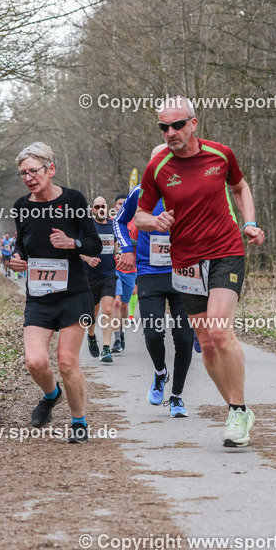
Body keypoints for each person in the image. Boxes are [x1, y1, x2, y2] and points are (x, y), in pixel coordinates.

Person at [134, 97, 266, 446]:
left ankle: (237, 411)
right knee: (206, 344)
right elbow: (140, 215)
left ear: (194, 123)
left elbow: (240, 187)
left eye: (177, 125)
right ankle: (238, 409)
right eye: (164, 127)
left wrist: (249, 222)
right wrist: (155, 220)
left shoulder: (221, 154)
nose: (171, 132)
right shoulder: (157, 167)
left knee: (221, 332)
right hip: (186, 262)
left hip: (225, 252)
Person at [7, 142, 101, 443]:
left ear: (51, 169)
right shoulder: (22, 206)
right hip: (39, 295)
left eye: (33, 171)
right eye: (23, 173)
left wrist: (73, 244)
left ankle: (78, 421)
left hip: (74, 292)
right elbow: (21, 243)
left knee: (66, 361)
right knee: (35, 362)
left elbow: (95, 243)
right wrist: (17, 259)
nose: (28, 178)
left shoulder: (73, 199)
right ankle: (51, 395)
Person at [114, 145, 194, 418]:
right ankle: (161, 372)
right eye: (157, 161)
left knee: (184, 338)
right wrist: (127, 248)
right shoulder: (139, 193)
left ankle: (177, 397)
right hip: (150, 273)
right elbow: (119, 222)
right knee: (153, 333)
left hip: (186, 272)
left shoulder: (190, 187)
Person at [80, 196, 117, 363]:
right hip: (90, 276)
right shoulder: (88, 227)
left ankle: (107, 348)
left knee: (108, 310)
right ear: (93, 209)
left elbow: (116, 247)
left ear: (107, 208)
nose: (101, 209)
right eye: (97, 206)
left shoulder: (113, 225)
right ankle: (91, 335)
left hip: (109, 274)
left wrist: (120, 254)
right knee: (92, 313)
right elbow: (76, 249)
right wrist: (88, 259)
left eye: (103, 206)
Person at [111, 193, 137, 353]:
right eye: (119, 204)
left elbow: (143, 244)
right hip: (112, 269)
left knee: (124, 305)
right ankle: (116, 340)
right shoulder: (111, 223)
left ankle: (122, 332)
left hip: (130, 269)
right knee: (116, 303)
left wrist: (128, 244)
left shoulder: (137, 222)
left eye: (124, 203)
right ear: (115, 206)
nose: (121, 206)